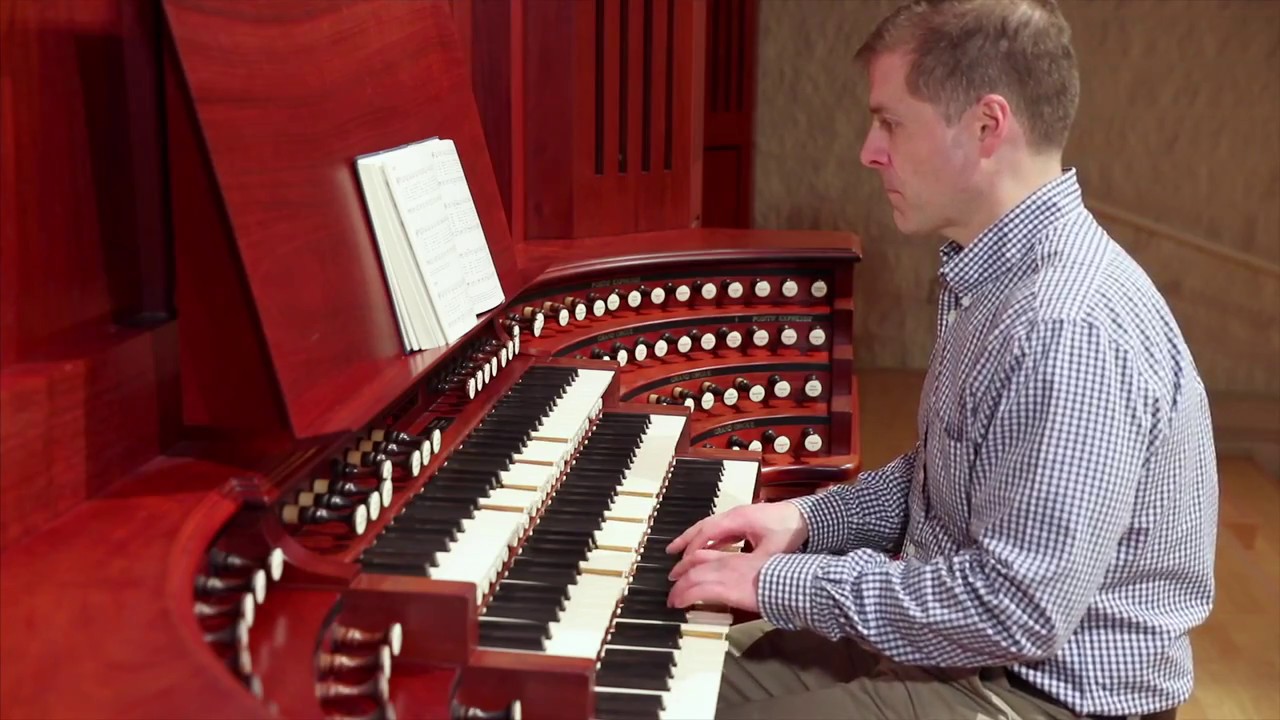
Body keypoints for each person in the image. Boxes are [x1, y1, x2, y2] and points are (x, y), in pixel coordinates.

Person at [663, 1, 1219, 719]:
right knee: (655, 693)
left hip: (1042, 695)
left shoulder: (1066, 324)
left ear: (987, 127)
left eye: (891, 122)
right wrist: (804, 521)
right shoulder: (991, 273)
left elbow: (1016, 610)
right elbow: (947, 475)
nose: (869, 150)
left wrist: (780, 583)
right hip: (961, 652)